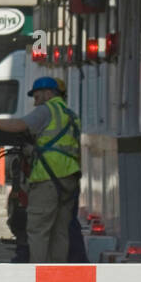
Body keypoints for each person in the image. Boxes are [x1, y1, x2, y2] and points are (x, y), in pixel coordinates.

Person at [0, 75, 81, 262]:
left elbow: (18, 125)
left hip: (48, 179)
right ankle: (57, 276)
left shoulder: (47, 110)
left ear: (49, 93)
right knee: (60, 231)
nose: (35, 101)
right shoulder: (70, 114)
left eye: (37, 96)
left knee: (38, 230)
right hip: (69, 179)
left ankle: (38, 275)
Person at [54, 77, 89, 263]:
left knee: (60, 223)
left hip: (53, 176)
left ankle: (74, 261)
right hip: (72, 175)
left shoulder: (50, 113)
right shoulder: (72, 115)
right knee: (69, 220)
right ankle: (79, 261)